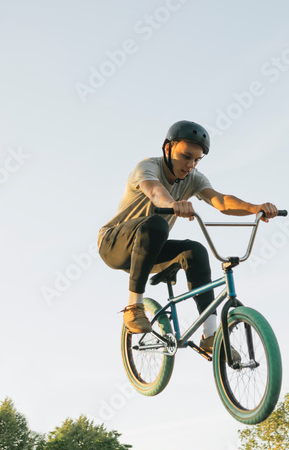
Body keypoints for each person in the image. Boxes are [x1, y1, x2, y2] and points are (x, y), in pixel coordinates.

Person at [98, 120, 278, 353]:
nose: (190, 165)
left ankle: (211, 335)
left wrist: (256, 208)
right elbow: (155, 191)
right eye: (185, 156)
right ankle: (134, 307)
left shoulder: (193, 179)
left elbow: (221, 201)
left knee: (195, 250)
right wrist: (173, 204)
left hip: (150, 249)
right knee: (156, 224)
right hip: (114, 244)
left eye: (196, 160)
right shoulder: (147, 167)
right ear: (167, 148)